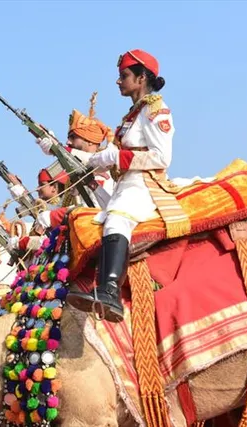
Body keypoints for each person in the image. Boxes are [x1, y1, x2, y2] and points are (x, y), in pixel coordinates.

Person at [66, 49, 177, 323]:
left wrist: (116, 156)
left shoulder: (155, 111)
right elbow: (103, 159)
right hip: (124, 184)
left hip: (143, 184)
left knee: (117, 220)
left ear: (142, 78)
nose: (119, 81)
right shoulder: (132, 116)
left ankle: (110, 292)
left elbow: (162, 157)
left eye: (124, 76)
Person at [34, 92, 115, 205]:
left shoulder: (105, 169)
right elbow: (61, 209)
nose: (68, 142)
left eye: (73, 137)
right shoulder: (76, 174)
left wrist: (58, 148)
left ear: (90, 141)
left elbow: (96, 210)